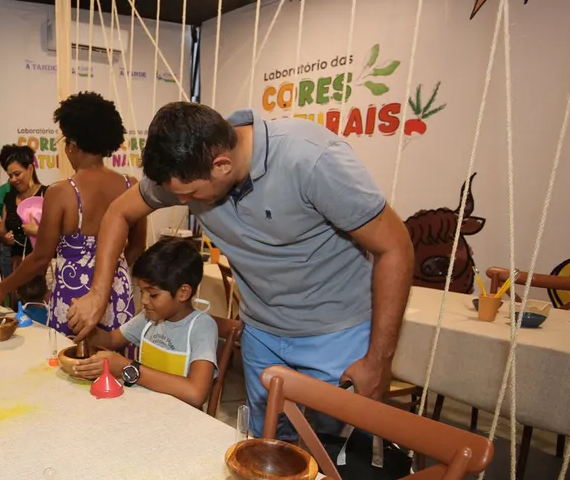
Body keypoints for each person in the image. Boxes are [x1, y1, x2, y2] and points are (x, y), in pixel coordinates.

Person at [67, 102, 414, 438]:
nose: (183, 202)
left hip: (336, 333)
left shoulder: (311, 159)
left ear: (221, 165)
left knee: (337, 457)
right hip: (262, 332)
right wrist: (98, 292)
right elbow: (118, 213)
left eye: (189, 194)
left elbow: (395, 248)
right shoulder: (189, 169)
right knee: (267, 445)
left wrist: (378, 360)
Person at [0, 92, 146, 336]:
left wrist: (1, 288)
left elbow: (41, 257)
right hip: (117, 293)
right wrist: (111, 273)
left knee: (73, 365)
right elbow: (136, 247)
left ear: (72, 143)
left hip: (74, 294)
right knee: (111, 366)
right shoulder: (131, 185)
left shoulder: (62, 192)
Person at [75, 238, 218, 408]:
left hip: (180, 421)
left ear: (183, 293)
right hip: (146, 409)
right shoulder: (149, 317)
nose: (143, 300)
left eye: (153, 294)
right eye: (142, 291)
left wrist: (128, 367)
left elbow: (196, 393)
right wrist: (85, 323)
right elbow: (111, 340)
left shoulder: (202, 327)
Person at [0, 144, 47, 270]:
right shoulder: (9, 197)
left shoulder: (47, 194)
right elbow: (2, 231)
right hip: (16, 265)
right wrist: (5, 239)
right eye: (10, 176)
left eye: (17, 174)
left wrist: (36, 231)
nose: (13, 179)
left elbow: (59, 230)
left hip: (43, 263)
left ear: (30, 169)